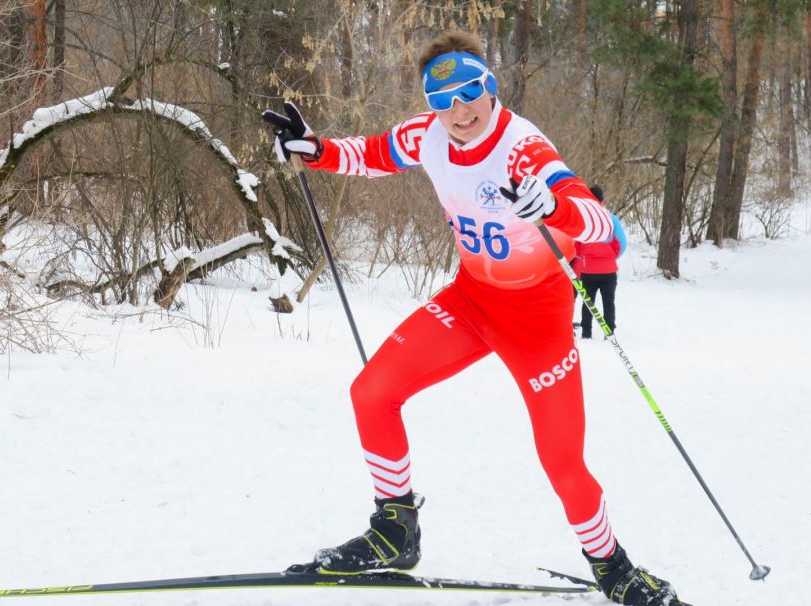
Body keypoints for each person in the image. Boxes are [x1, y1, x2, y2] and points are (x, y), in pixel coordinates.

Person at [262, 31, 682, 606]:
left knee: (561, 460)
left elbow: (605, 227)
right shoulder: (428, 135)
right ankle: (394, 531)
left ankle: (612, 566)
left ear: (489, 87)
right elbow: (375, 154)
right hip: (471, 300)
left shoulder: (523, 148)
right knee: (371, 392)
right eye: (442, 101)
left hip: (538, 321)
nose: (458, 112)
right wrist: (316, 149)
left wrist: (555, 207)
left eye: (468, 93)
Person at [572, 185, 627, 339]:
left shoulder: (583, 219)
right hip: (608, 271)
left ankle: (586, 332)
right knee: (608, 302)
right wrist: (610, 257)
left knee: (588, 302)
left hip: (588, 270)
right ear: (602, 199)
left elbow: (576, 246)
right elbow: (622, 244)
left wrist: (586, 258)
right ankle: (609, 332)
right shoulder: (611, 219)